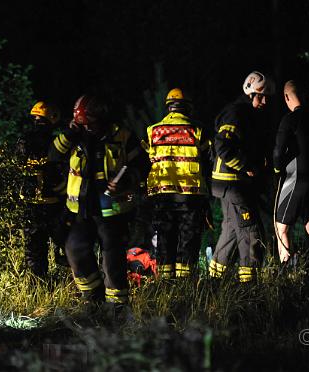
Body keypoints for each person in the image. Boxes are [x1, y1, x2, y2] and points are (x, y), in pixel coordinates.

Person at [49, 94, 150, 306]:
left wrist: (126, 180)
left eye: (90, 123)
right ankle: (92, 298)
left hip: (113, 209)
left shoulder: (122, 135)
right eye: (82, 124)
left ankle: (117, 308)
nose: (87, 128)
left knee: (113, 261)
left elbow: (142, 165)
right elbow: (54, 155)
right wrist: (70, 132)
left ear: (102, 117)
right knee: (75, 249)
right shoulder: (73, 135)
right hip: (81, 208)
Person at [209, 71, 274, 283]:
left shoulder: (246, 113)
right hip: (233, 184)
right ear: (248, 93)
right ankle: (249, 285)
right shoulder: (237, 114)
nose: (264, 101)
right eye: (260, 96)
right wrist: (246, 166)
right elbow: (223, 146)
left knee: (230, 233)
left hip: (231, 185)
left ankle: (214, 281)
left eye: (266, 97)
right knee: (251, 233)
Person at [143, 88, 211, 279]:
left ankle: (165, 283)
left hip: (162, 193)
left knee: (165, 237)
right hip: (190, 193)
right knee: (188, 238)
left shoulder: (153, 131)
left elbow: (148, 160)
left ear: (168, 107)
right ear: (188, 107)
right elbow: (207, 160)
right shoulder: (197, 130)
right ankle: (185, 283)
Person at [272, 80, 309, 264]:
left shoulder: (290, 119)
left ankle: (288, 271)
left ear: (287, 97)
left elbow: (278, 151)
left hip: (296, 179)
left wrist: (277, 169)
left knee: (280, 227)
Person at [16, 101, 68, 278]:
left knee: (34, 249)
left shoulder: (23, 139)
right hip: (52, 201)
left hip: (29, 203)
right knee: (67, 242)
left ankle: (38, 283)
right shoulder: (55, 141)